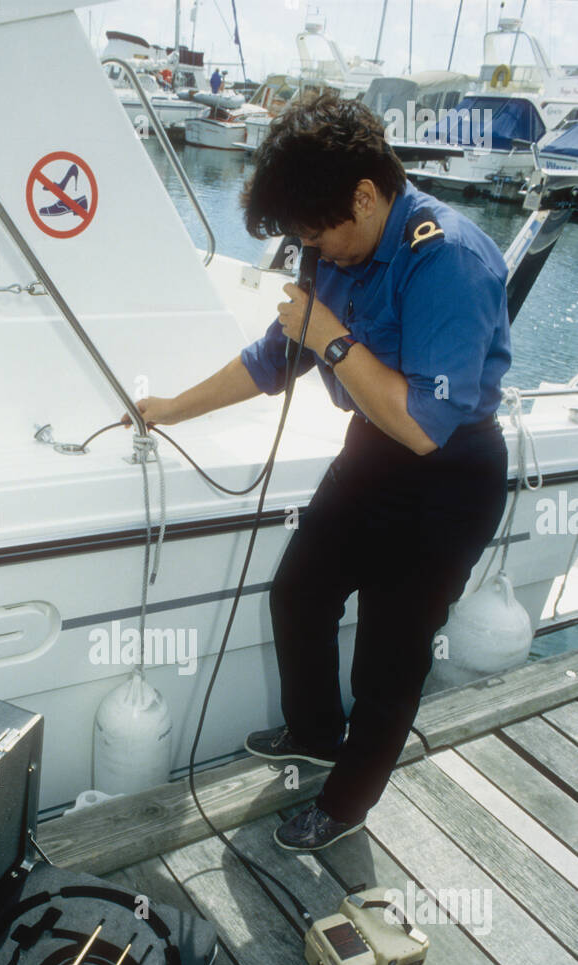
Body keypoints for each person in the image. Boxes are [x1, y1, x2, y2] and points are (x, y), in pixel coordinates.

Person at [125, 93, 511, 852]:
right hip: (370, 456)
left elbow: (422, 425)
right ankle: (315, 735)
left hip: (449, 475)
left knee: (389, 657)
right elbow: (273, 361)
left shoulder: (448, 258)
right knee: (298, 595)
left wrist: (330, 338)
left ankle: (347, 803)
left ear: (365, 195)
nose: (316, 252)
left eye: (319, 234)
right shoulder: (333, 248)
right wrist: (172, 407)